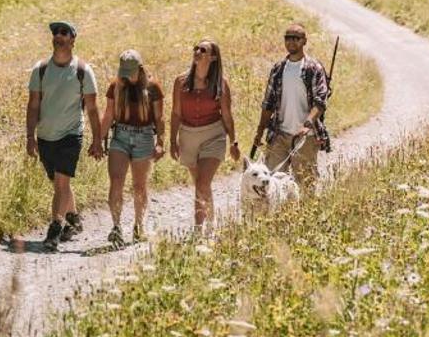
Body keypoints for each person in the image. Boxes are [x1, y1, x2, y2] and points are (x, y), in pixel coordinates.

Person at [25, 20, 104, 249]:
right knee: (58, 182)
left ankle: (54, 230)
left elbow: (92, 108)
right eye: (54, 33)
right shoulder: (40, 70)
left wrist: (98, 139)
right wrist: (30, 137)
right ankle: (74, 218)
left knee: (61, 182)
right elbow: (33, 105)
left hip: (71, 134)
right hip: (45, 135)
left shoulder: (83, 71)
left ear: (72, 39)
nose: (57, 36)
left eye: (63, 32)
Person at [169, 38, 241, 232]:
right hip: (188, 135)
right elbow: (176, 113)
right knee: (201, 184)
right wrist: (172, 140)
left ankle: (199, 231)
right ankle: (211, 222)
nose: (197, 52)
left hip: (213, 135)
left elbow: (227, 115)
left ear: (213, 57)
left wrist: (233, 142)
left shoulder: (220, 84)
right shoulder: (181, 82)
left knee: (202, 183)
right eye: (196, 49)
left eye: (203, 50)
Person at [251, 22, 331, 192]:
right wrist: (259, 132)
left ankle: (307, 217)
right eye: (287, 38)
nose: (291, 41)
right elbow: (268, 103)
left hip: (305, 138)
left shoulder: (313, 68)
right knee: (271, 182)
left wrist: (307, 124)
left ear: (304, 41)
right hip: (279, 135)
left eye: (296, 38)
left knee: (305, 184)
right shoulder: (278, 69)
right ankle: (275, 217)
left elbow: (320, 102)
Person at [104, 49, 167, 245]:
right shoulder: (116, 86)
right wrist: (99, 139)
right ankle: (116, 226)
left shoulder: (153, 87)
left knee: (139, 186)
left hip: (144, 136)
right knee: (116, 180)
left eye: (130, 71)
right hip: (120, 135)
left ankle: (139, 225)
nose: (126, 75)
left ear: (139, 69)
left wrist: (161, 143)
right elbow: (108, 115)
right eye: (124, 71)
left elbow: (159, 118)